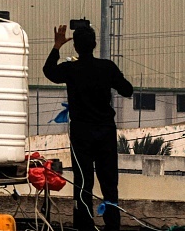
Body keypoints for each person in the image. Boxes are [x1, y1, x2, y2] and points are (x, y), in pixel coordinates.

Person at [43, 23, 134, 231]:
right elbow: (127, 90)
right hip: (105, 131)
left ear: (75, 47)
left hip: (81, 132)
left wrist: (57, 46)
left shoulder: (70, 68)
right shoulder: (107, 67)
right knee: (109, 181)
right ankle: (112, 225)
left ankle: (85, 225)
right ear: (94, 45)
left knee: (83, 181)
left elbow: (49, 71)